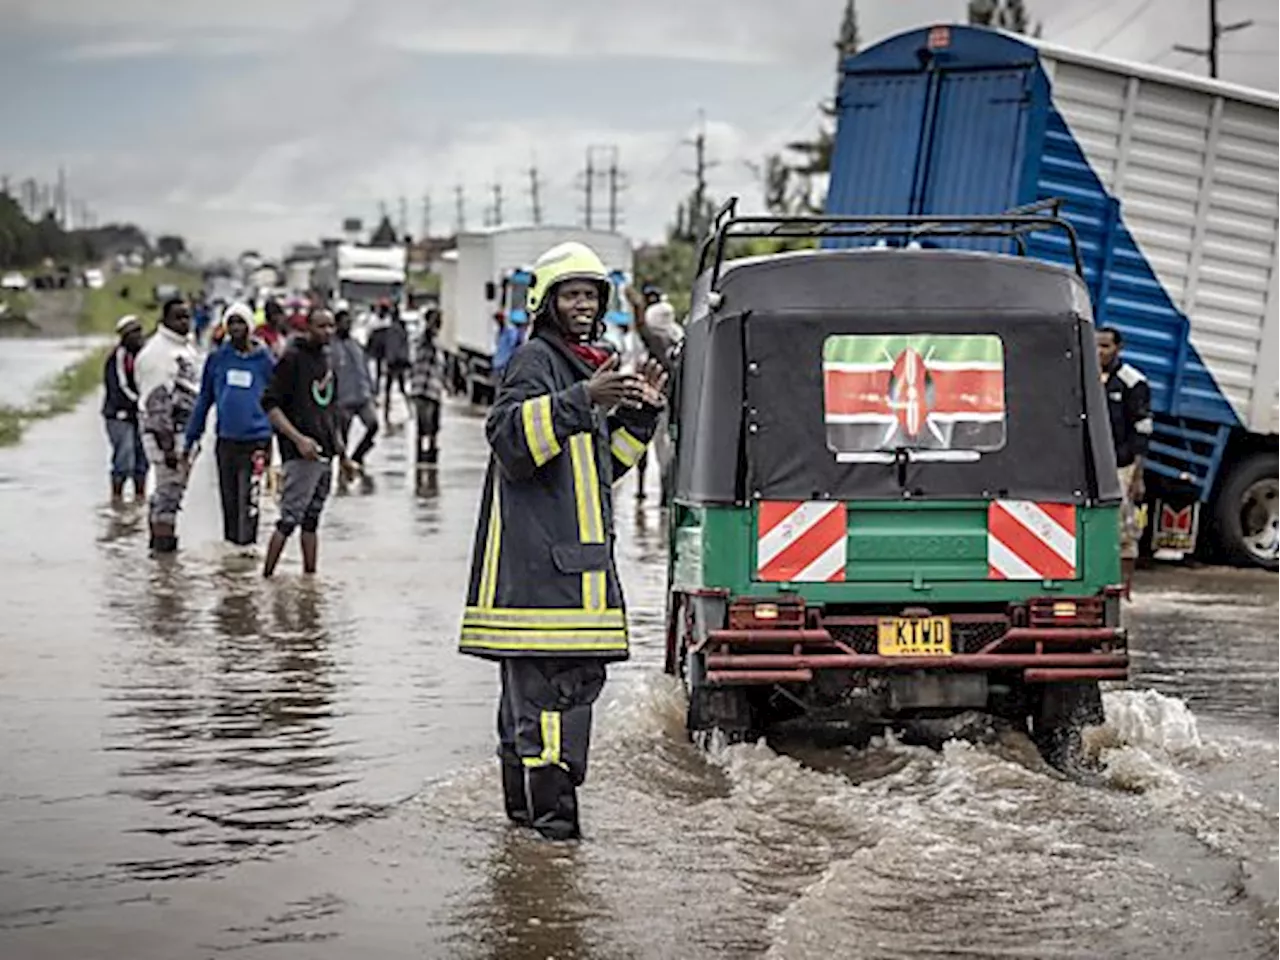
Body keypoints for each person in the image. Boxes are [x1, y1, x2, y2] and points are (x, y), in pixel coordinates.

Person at [459, 241, 667, 841]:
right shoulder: (534, 361)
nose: (583, 304)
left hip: (572, 575)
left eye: (591, 295)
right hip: (540, 580)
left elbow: (602, 470)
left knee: (532, 716)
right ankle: (554, 848)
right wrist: (584, 401)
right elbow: (510, 442)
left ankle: (523, 842)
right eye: (571, 294)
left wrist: (640, 419)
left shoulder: (585, 365)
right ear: (545, 303)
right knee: (551, 715)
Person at [183, 302, 275, 547]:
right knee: (230, 502)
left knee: (250, 503)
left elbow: (279, 400)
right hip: (226, 441)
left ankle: (248, 555)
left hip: (257, 441)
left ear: (250, 327)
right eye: (231, 323)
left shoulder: (264, 360)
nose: (235, 328)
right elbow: (204, 400)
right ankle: (232, 565)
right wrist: (191, 438)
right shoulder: (217, 359)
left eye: (240, 322)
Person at [260, 307, 342, 578]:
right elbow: (270, 405)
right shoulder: (292, 359)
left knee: (312, 520)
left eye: (331, 326)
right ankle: (266, 578)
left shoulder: (327, 359)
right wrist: (298, 439)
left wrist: (343, 453)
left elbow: (329, 409)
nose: (327, 332)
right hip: (299, 455)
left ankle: (310, 581)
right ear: (308, 328)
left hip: (325, 453)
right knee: (288, 519)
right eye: (321, 326)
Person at [135, 298, 200, 553]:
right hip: (168, 436)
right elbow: (156, 405)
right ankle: (165, 560)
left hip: (184, 433)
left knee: (169, 492)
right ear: (165, 320)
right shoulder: (157, 354)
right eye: (179, 317)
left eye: (187, 316)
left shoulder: (185, 348)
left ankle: (159, 552)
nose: (184, 322)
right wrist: (169, 447)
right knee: (169, 494)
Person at [1097, 326, 1152, 597]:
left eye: (1105, 346)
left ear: (1119, 348)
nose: (1099, 352)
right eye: (1096, 345)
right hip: (1091, 466)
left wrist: (1137, 475)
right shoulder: (1086, 376)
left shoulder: (1133, 382)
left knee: (1124, 527)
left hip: (1122, 464)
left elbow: (1142, 429)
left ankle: (1125, 587)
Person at [101, 314, 149, 503]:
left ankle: (139, 498)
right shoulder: (116, 358)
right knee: (124, 455)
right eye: (132, 333)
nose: (137, 337)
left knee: (142, 457)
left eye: (139, 331)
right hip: (118, 415)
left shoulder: (144, 356)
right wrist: (138, 402)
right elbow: (118, 387)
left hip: (141, 413)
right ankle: (117, 498)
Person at [331, 305, 379, 479]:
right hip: (343, 399)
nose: (347, 326)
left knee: (373, 425)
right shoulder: (330, 347)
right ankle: (343, 467)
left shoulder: (356, 345)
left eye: (349, 323)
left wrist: (372, 391)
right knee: (343, 435)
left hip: (363, 396)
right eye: (344, 323)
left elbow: (365, 368)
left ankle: (358, 456)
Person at [409, 308, 445, 466]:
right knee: (424, 424)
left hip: (434, 390)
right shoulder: (424, 339)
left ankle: (430, 454)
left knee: (434, 426)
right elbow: (427, 335)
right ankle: (421, 455)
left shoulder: (437, 341)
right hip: (423, 389)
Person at [382, 307, 412, 422]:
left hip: (393, 362)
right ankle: (409, 411)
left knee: (388, 389)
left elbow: (391, 347)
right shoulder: (402, 328)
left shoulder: (392, 329)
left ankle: (386, 413)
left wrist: (389, 360)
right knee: (402, 388)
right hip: (400, 362)